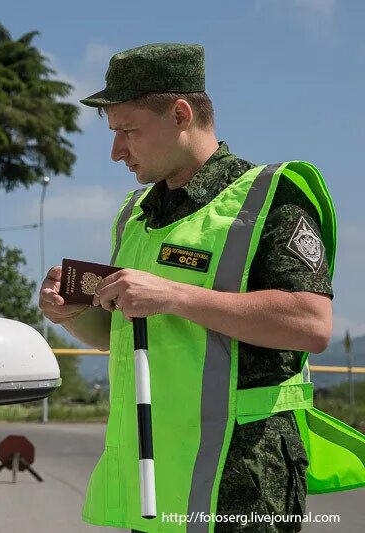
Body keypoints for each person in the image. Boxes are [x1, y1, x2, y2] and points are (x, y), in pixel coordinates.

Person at [39, 43, 364, 532]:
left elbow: (310, 323)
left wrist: (174, 295)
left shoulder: (269, 197)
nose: (115, 151)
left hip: (246, 483)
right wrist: (71, 314)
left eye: (128, 131)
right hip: (158, 483)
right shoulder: (135, 216)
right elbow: (123, 336)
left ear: (180, 114)